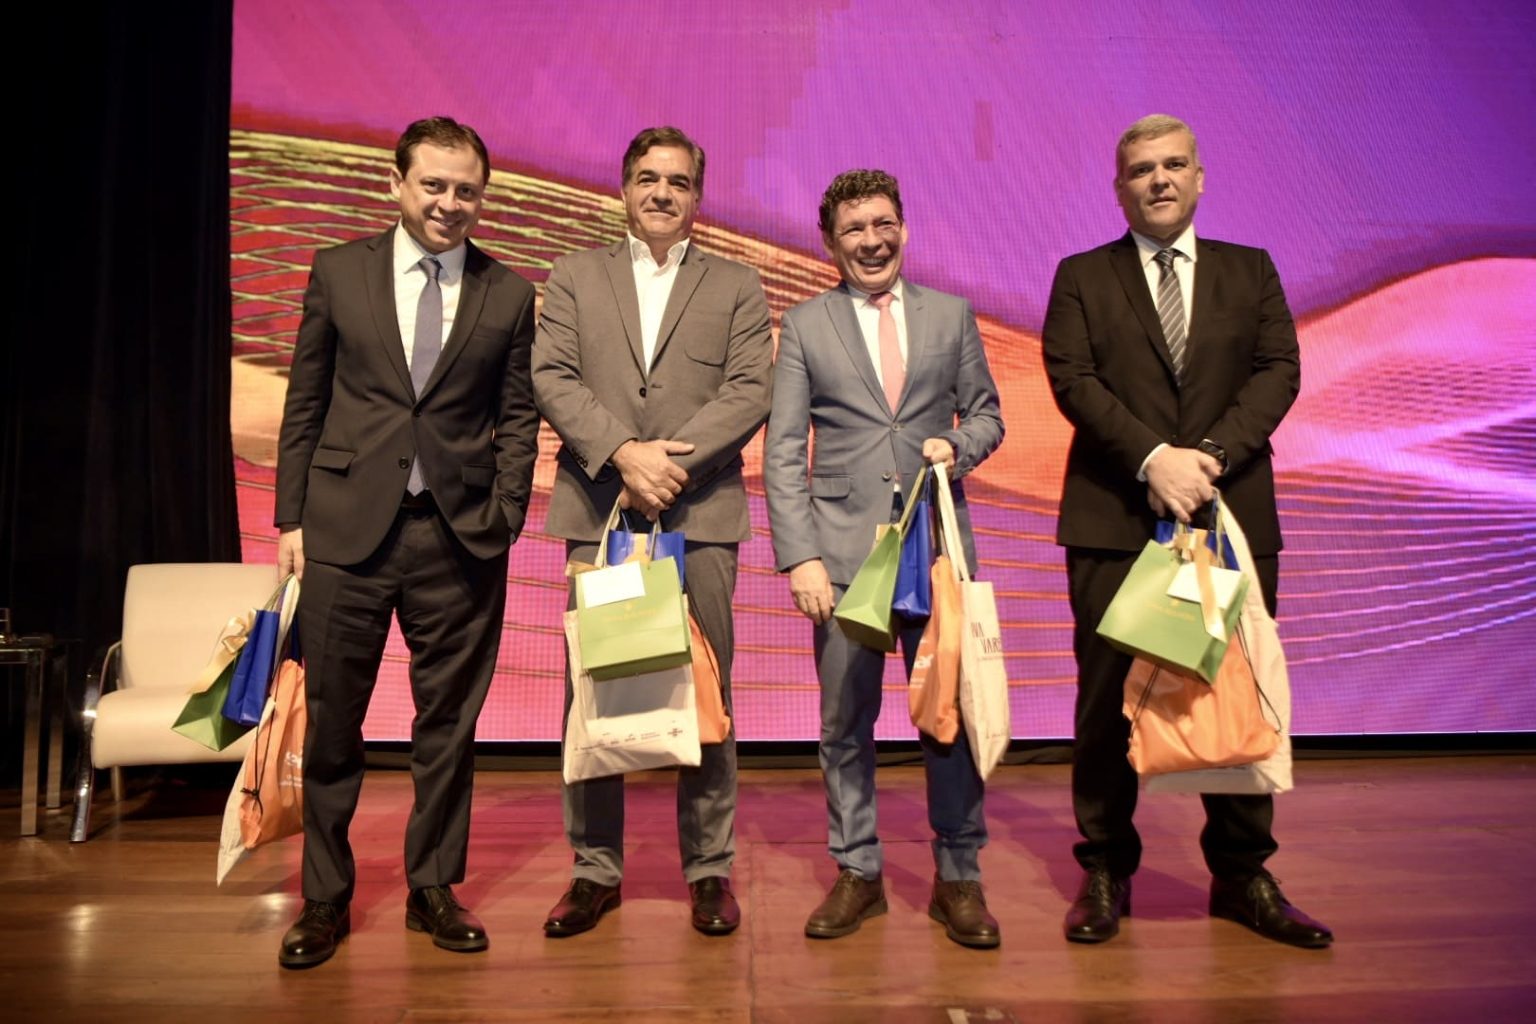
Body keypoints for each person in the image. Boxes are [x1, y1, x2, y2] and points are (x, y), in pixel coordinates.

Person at [1041, 114, 1332, 949]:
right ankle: (1105, 868)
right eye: (1141, 169)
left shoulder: (1252, 270)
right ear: (1119, 187)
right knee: (1108, 704)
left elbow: (1279, 370)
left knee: (1234, 688)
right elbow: (1074, 378)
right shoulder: (1081, 276)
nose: (1159, 180)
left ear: (1200, 177)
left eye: (1173, 165)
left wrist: (1206, 459)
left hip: (1228, 510)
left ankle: (1242, 875)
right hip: (1114, 517)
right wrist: (1152, 460)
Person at [272, 117, 540, 968]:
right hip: (344, 534)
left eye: (467, 190)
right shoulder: (337, 271)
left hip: (460, 539)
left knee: (448, 727)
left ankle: (433, 888)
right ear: (396, 184)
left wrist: (505, 513)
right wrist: (289, 521)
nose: (449, 203)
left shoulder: (509, 293)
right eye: (434, 185)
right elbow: (305, 404)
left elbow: (518, 418)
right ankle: (324, 897)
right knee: (332, 726)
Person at [532, 126, 773, 938]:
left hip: (699, 515)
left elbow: (751, 389)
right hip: (599, 507)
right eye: (647, 178)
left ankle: (708, 870)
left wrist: (667, 469)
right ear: (623, 189)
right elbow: (551, 376)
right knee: (594, 689)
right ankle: (594, 870)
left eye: (677, 181)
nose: (661, 192)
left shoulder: (737, 284)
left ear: (697, 196)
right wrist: (623, 455)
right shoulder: (574, 275)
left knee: (706, 692)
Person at [763, 169, 1006, 948]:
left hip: (934, 550)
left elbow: (989, 415)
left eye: (882, 224)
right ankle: (858, 870)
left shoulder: (951, 314)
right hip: (841, 559)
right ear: (830, 242)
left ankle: (959, 877)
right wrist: (800, 558)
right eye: (854, 229)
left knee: (949, 716)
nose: (871, 241)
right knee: (845, 722)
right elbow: (782, 452)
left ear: (903, 226)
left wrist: (959, 445)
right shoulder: (805, 325)